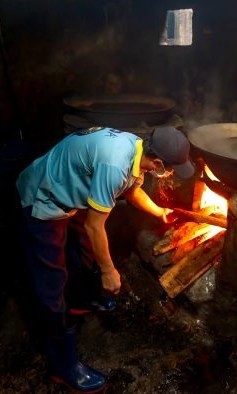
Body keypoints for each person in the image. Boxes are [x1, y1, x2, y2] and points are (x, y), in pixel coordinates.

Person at [16, 125, 194, 393]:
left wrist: (159, 213)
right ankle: (62, 365)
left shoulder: (136, 149)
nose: (168, 173)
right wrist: (109, 271)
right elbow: (94, 226)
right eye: (169, 168)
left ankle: (82, 299)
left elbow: (132, 192)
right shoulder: (115, 165)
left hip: (73, 194)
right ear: (157, 161)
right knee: (51, 281)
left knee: (83, 247)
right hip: (45, 196)